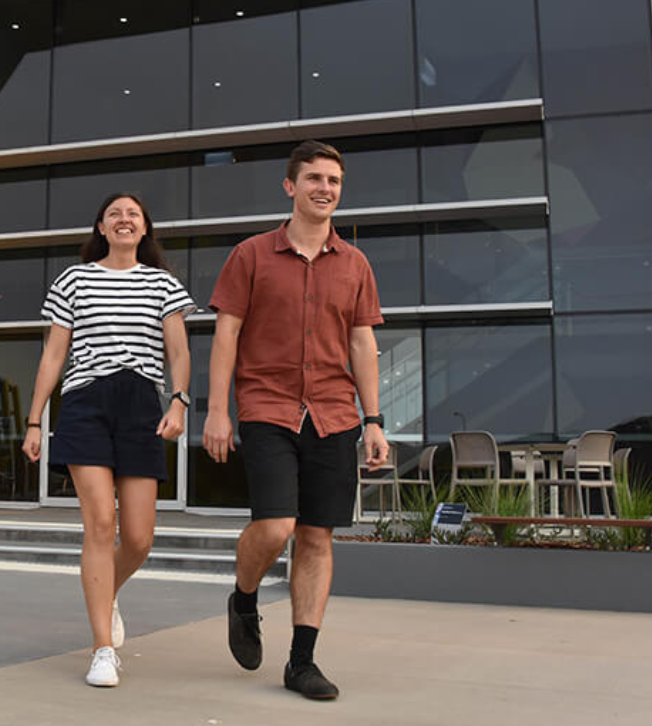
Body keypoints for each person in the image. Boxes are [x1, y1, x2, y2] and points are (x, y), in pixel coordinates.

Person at [203, 140, 388, 700]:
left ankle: (301, 662)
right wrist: (217, 410)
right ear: (290, 186)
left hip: (334, 413)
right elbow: (227, 334)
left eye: (333, 180)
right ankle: (244, 596)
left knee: (316, 535)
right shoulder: (251, 255)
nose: (324, 188)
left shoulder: (355, 264)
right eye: (314, 178)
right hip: (268, 406)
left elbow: (362, 343)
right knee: (277, 525)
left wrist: (374, 419)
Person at [23, 193, 194, 688]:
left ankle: (106, 592)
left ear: (144, 228)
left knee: (138, 539)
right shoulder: (74, 280)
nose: (124, 220)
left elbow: (179, 351)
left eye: (132, 214)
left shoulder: (162, 283)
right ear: (101, 226)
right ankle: (102, 649)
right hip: (86, 403)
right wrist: (34, 420)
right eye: (114, 214)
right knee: (100, 525)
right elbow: (55, 354)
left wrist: (179, 401)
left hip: (141, 404)